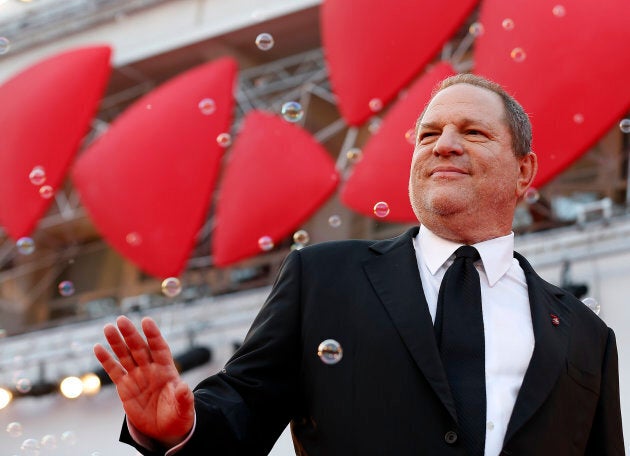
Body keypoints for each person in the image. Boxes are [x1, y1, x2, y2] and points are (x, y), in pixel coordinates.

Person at [94, 73, 625, 455]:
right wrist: (176, 430)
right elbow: (243, 405)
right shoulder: (322, 279)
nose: (443, 146)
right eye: (428, 134)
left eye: (473, 132)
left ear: (523, 169)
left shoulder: (586, 336)